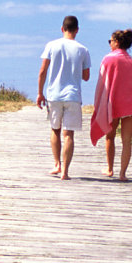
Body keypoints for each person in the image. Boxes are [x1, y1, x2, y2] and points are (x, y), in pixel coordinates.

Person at [90, 28, 132, 181]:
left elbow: (102, 83)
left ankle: (109, 168)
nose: (109, 44)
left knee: (110, 136)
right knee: (127, 140)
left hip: (113, 104)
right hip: (130, 106)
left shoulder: (108, 59)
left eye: (111, 41)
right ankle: (123, 174)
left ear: (117, 42)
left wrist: (99, 103)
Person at [37, 15, 91, 180]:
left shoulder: (51, 45)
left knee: (55, 130)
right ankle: (65, 172)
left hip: (54, 94)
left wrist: (40, 93)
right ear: (77, 30)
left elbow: (42, 71)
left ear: (62, 29)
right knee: (69, 135)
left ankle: (56, 164)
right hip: (73, 95)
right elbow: (86, 76)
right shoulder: (83, 50)